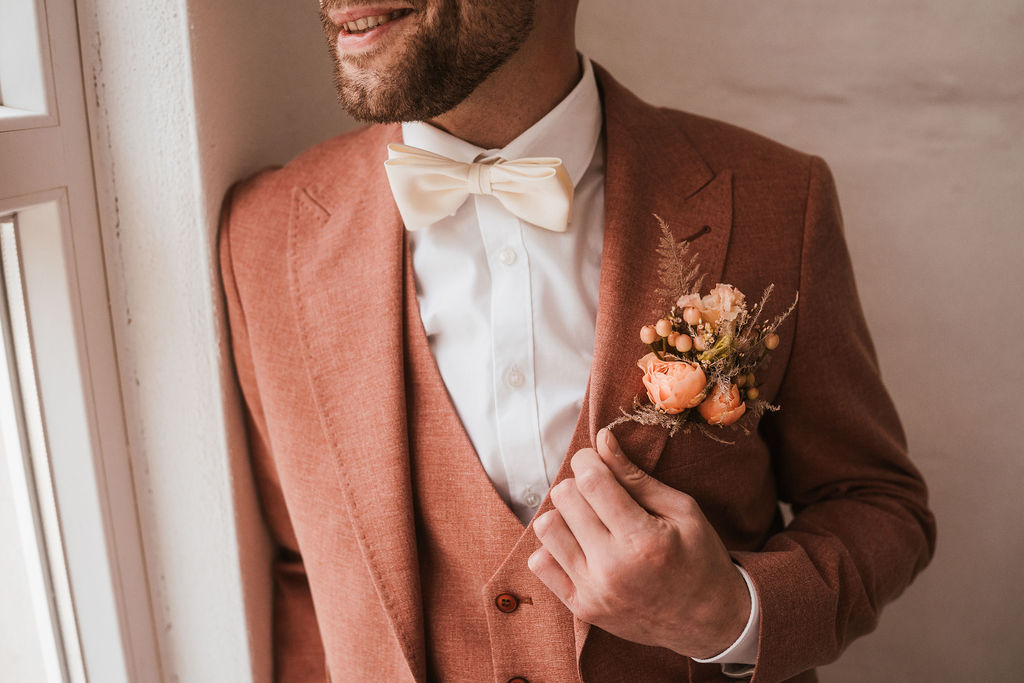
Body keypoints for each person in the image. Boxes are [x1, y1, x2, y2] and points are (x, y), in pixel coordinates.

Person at [217, 1, 936, 681]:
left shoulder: (776, 199)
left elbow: (877, 503)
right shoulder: (264, 238)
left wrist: (733, 612)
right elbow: (299, 570)